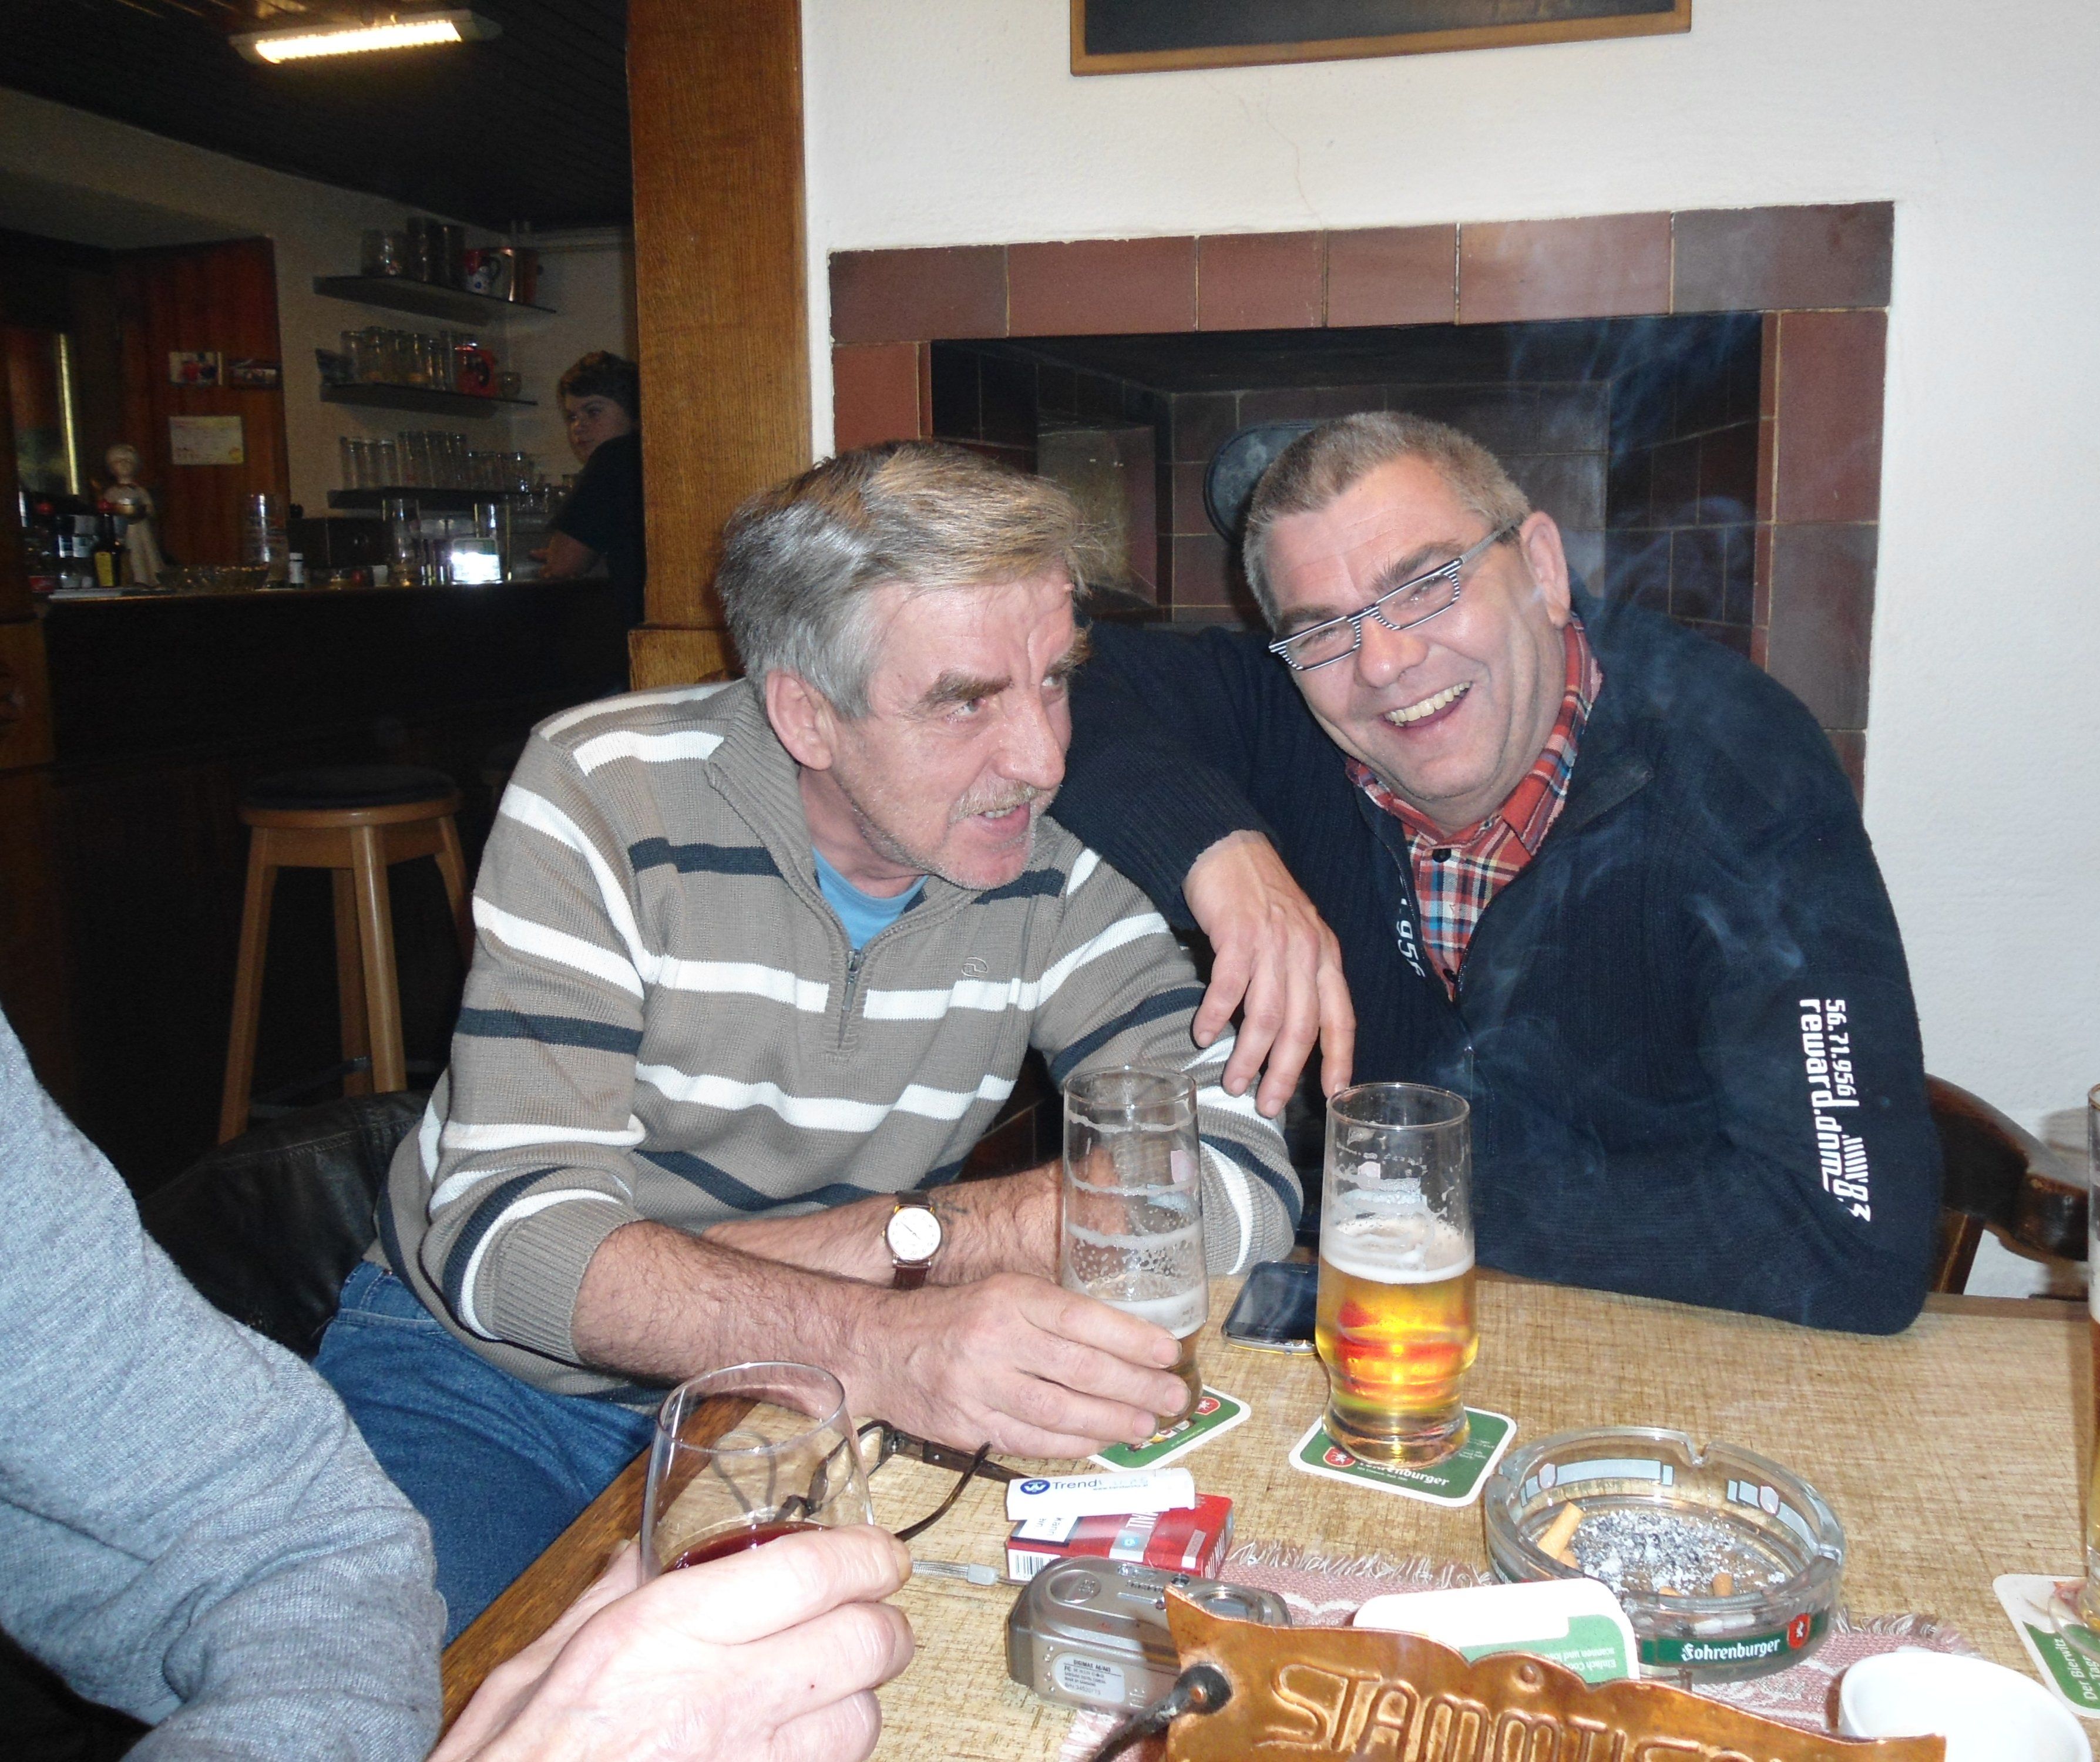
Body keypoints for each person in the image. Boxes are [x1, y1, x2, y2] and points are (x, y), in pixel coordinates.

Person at [317, 441, 1303, 1634]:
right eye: (965, 700)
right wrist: (877, 1334)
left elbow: (1237, 1185)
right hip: (497, 1390)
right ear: (805, 712)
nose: (1042, 757)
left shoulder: (1059, 847)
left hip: (802, 1406)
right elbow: (508, 1244)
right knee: (418, 1695)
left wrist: (903, 1240)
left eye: (1054, 680)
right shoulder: (605, 791)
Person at [1055, 413, 1940, 1335]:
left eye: (1426, 586)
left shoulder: (1741, 774)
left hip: (1677, 1348)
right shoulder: (1283, 712)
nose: (1385, 662)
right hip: (1388, 1331)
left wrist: (1399, 1195)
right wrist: (1222, 854)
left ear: (1544, 569)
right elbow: (1052, 680)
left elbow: (1851, 1245)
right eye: (1323, 631)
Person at [0, 1008, 916, 1762]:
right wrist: (892, 1294)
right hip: (470, 1366)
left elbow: (290, 1542)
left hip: (730, 1394)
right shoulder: (615, 830)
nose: (1042, 774)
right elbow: (523, 1249)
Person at [543, 351, 646, 625]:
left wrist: (566, 552)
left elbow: (563, 565)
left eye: (593, 411)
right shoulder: (653, 455)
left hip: (636, 625)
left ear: (633, 413)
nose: (578, 427)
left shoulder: (614, 455)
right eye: (571, 417)